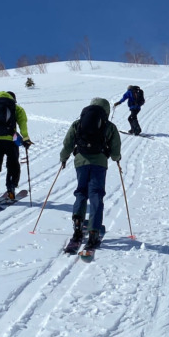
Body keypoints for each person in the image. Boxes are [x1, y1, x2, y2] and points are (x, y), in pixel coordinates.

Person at [59, 98, 121, 252]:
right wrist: (116, 158)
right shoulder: (109, 126)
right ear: (106, 110)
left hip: (81, 162)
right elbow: (115, 147)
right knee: (96, 194)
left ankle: (78, 227)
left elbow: (68, 143)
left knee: (81, 192)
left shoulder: (78, 123)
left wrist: (63, 158)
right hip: (99, 163)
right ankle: (93, 231)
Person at [0, 90, 32, 203]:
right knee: (13, 164)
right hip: (11, 141)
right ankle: (11, 188)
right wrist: (26, 138)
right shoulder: (17, 109)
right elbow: (23, 124)